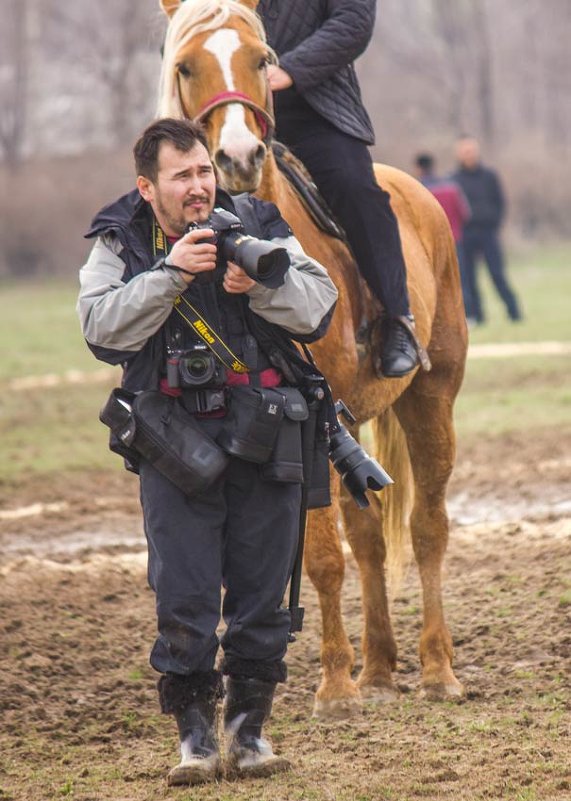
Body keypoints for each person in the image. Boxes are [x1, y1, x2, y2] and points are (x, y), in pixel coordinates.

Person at [76, 118, 338, 786]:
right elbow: (99, 328)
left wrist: (262, 286)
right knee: (183, 593)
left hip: (264, 435)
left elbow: (318, 308)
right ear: (147, 185)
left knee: (262, 597)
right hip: (171, 444)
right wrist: (169, 272)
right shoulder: (121, 237)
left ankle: (248, 733)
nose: (198, 188)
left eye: (202, 172)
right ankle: (194, 739)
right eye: (181, 176)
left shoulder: (254, 222)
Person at [257, 0, 421, 378]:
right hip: (234, 112)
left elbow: (352, 23)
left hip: (317, 109)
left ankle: (396, 318)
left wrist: (289, 71)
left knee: (356, 190)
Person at [452, 135, 522, 325]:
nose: (469, 155)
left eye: (471, 150)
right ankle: (477, 316)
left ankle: (514, 312)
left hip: (488, 233)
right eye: (465, 151)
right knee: (469, 278)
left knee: (497, 274)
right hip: (465, 234)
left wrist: (495, 224)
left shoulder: (490, 176)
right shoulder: (453, 179)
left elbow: (500, 202)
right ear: (459, 154)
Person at [414, 152, 471, 311]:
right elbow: (465, 214)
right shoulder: (451, 187)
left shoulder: (418, 190)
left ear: (418, 168)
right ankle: (467, 312)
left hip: (429, 244)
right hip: (455, 239)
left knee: (434, 281)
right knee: (460, 278)